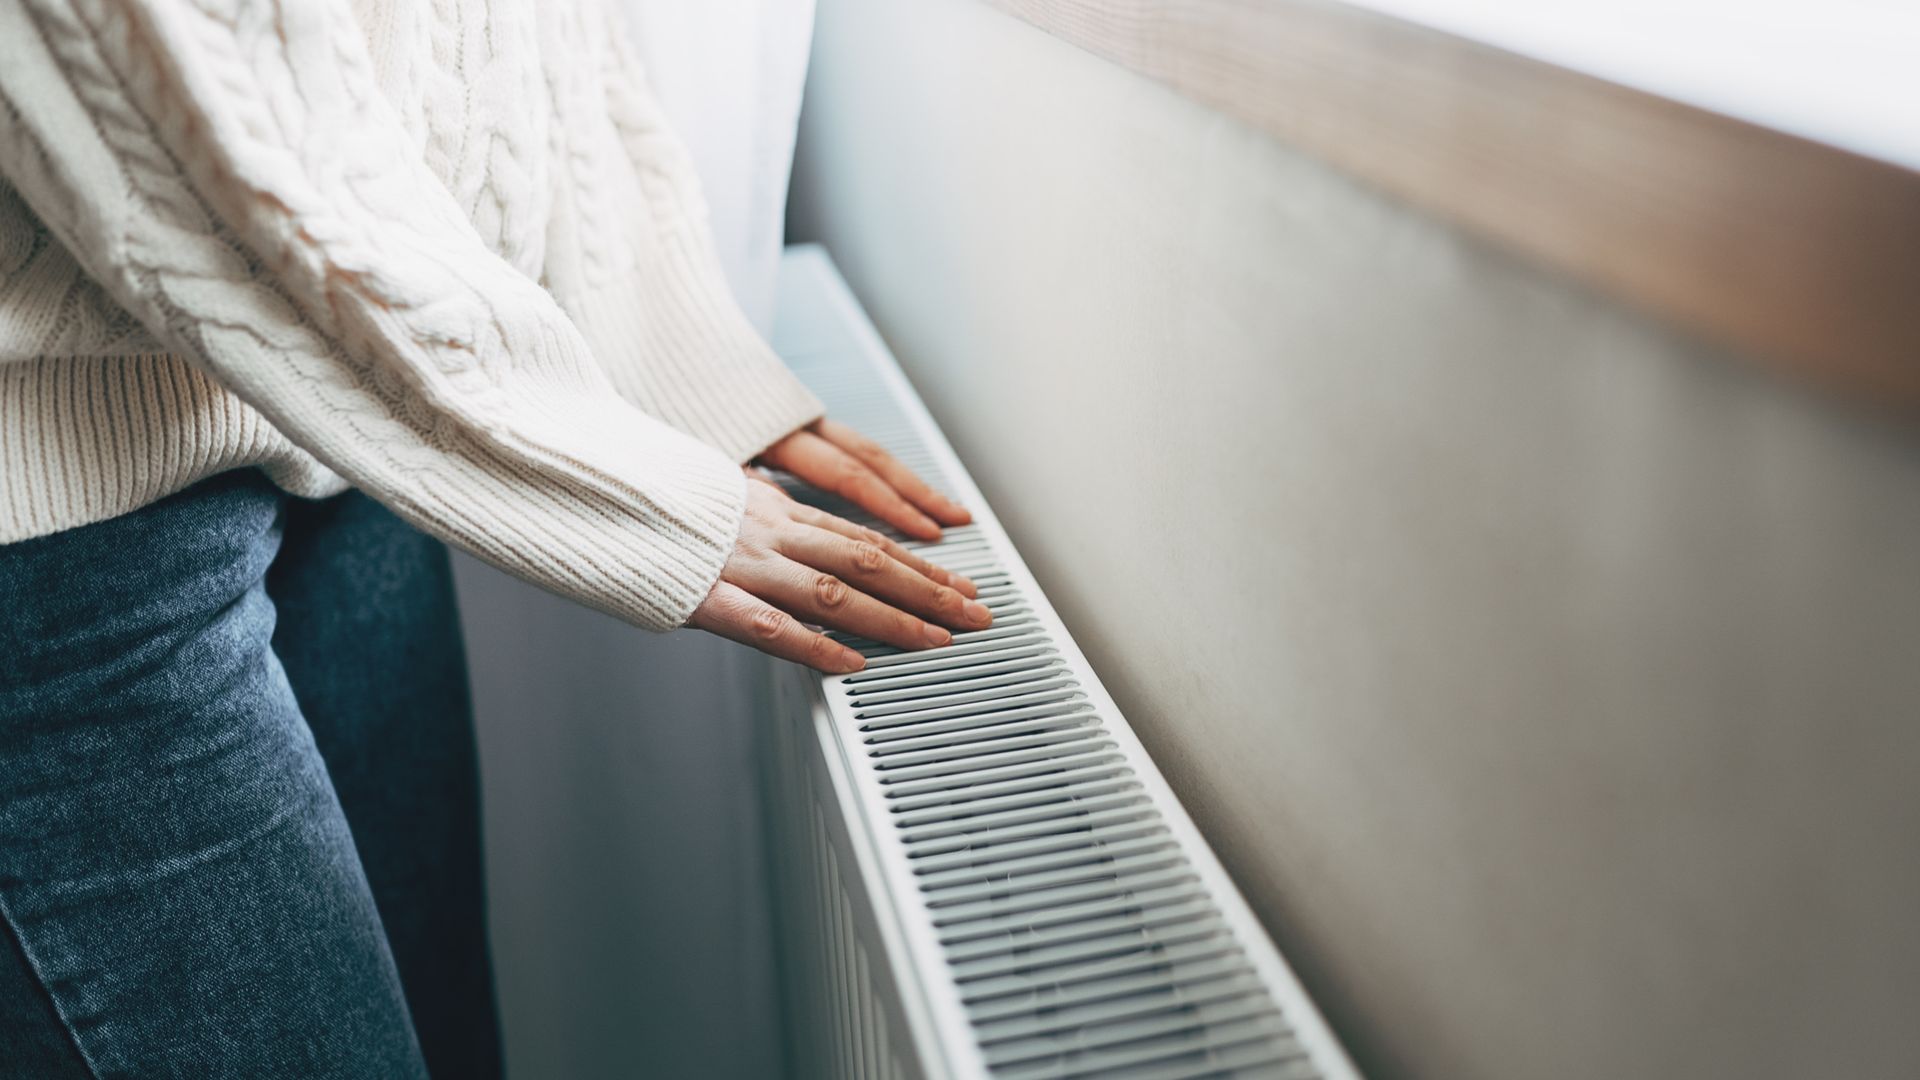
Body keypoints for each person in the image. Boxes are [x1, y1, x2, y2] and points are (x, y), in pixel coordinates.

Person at [0, 0, 988, 1075]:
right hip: (64, 553)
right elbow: (157, 61)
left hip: (336, 428)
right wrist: (601, 472)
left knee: (451, 1040)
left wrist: (680, 354)